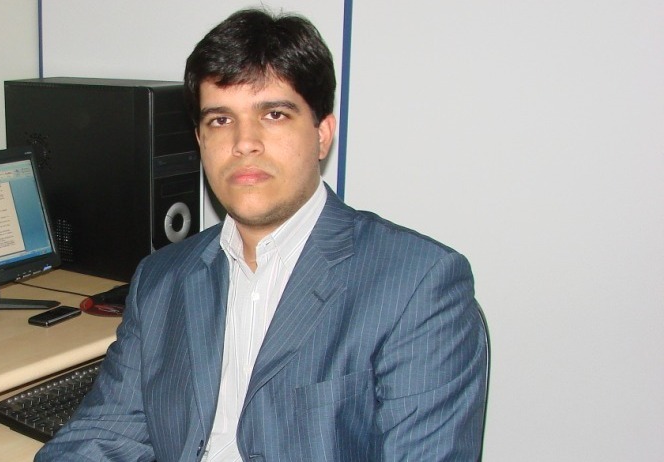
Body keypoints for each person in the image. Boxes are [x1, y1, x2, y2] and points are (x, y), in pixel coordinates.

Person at [36, 7, 488, 461]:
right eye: (220, 120)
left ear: (322, 134)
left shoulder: (418, 285)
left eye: (273, 114)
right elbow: (103, 434)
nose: (243, 142)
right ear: (200, 141)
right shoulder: (161, 279)